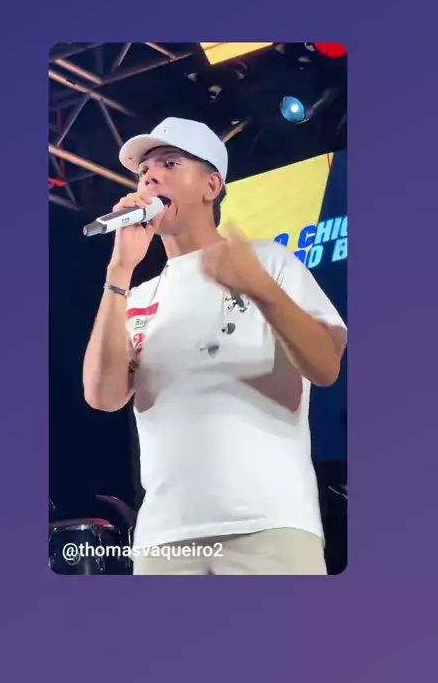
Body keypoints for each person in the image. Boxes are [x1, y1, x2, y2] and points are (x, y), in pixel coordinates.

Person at [83, 117, 347, 575]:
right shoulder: (137, 297)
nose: (150, 178)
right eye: (143, 172)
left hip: (270, 528)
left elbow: (325, 366)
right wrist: (119, 270)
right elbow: (103, 396)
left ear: (212, 185)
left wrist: (259, 288)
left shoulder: (268, 262)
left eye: (169, 164)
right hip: (164, 540)